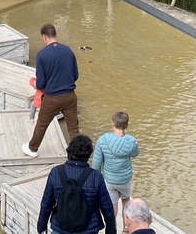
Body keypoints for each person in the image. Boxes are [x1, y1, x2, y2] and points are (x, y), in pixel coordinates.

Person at [36, 134, 117, 234]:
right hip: (88, 230)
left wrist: (41, 228)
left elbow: (46, 205)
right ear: (88, 154)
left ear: (69, 150)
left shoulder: (56, 172)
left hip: (60, 229)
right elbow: (108, 210)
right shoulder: (96, 177)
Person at [22, 23, 79, 157]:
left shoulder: (42, 55)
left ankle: (32, 149)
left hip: (52, 98)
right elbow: (75, 75)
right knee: (73, 128)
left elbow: (41, 83)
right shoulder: (68, 50)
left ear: (44, 37)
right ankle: (77, 154)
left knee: (42, 124)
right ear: (54, 34)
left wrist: (35, 84)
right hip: (70, 96)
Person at [92, 111, 140, 220]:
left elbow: (96, 163)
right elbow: (135, 154)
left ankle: (111, 229)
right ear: (126, 125)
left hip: (109, 180)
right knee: (126, 202)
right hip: (125, 180)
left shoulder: (102, 140)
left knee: (112, 206)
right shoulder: (131, 141)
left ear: (112, 123)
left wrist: (95, 180)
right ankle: (126, 229)